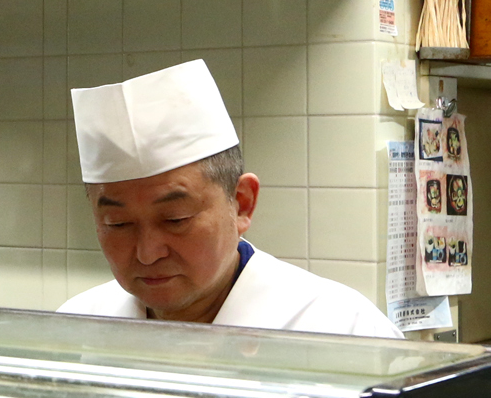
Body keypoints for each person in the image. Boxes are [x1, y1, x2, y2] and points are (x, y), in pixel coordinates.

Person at [56, 60, 402, 338]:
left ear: (242, 203)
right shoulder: (76, 329)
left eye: (175, 219)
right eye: (118, 224)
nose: (148, 252)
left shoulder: (339, 330)